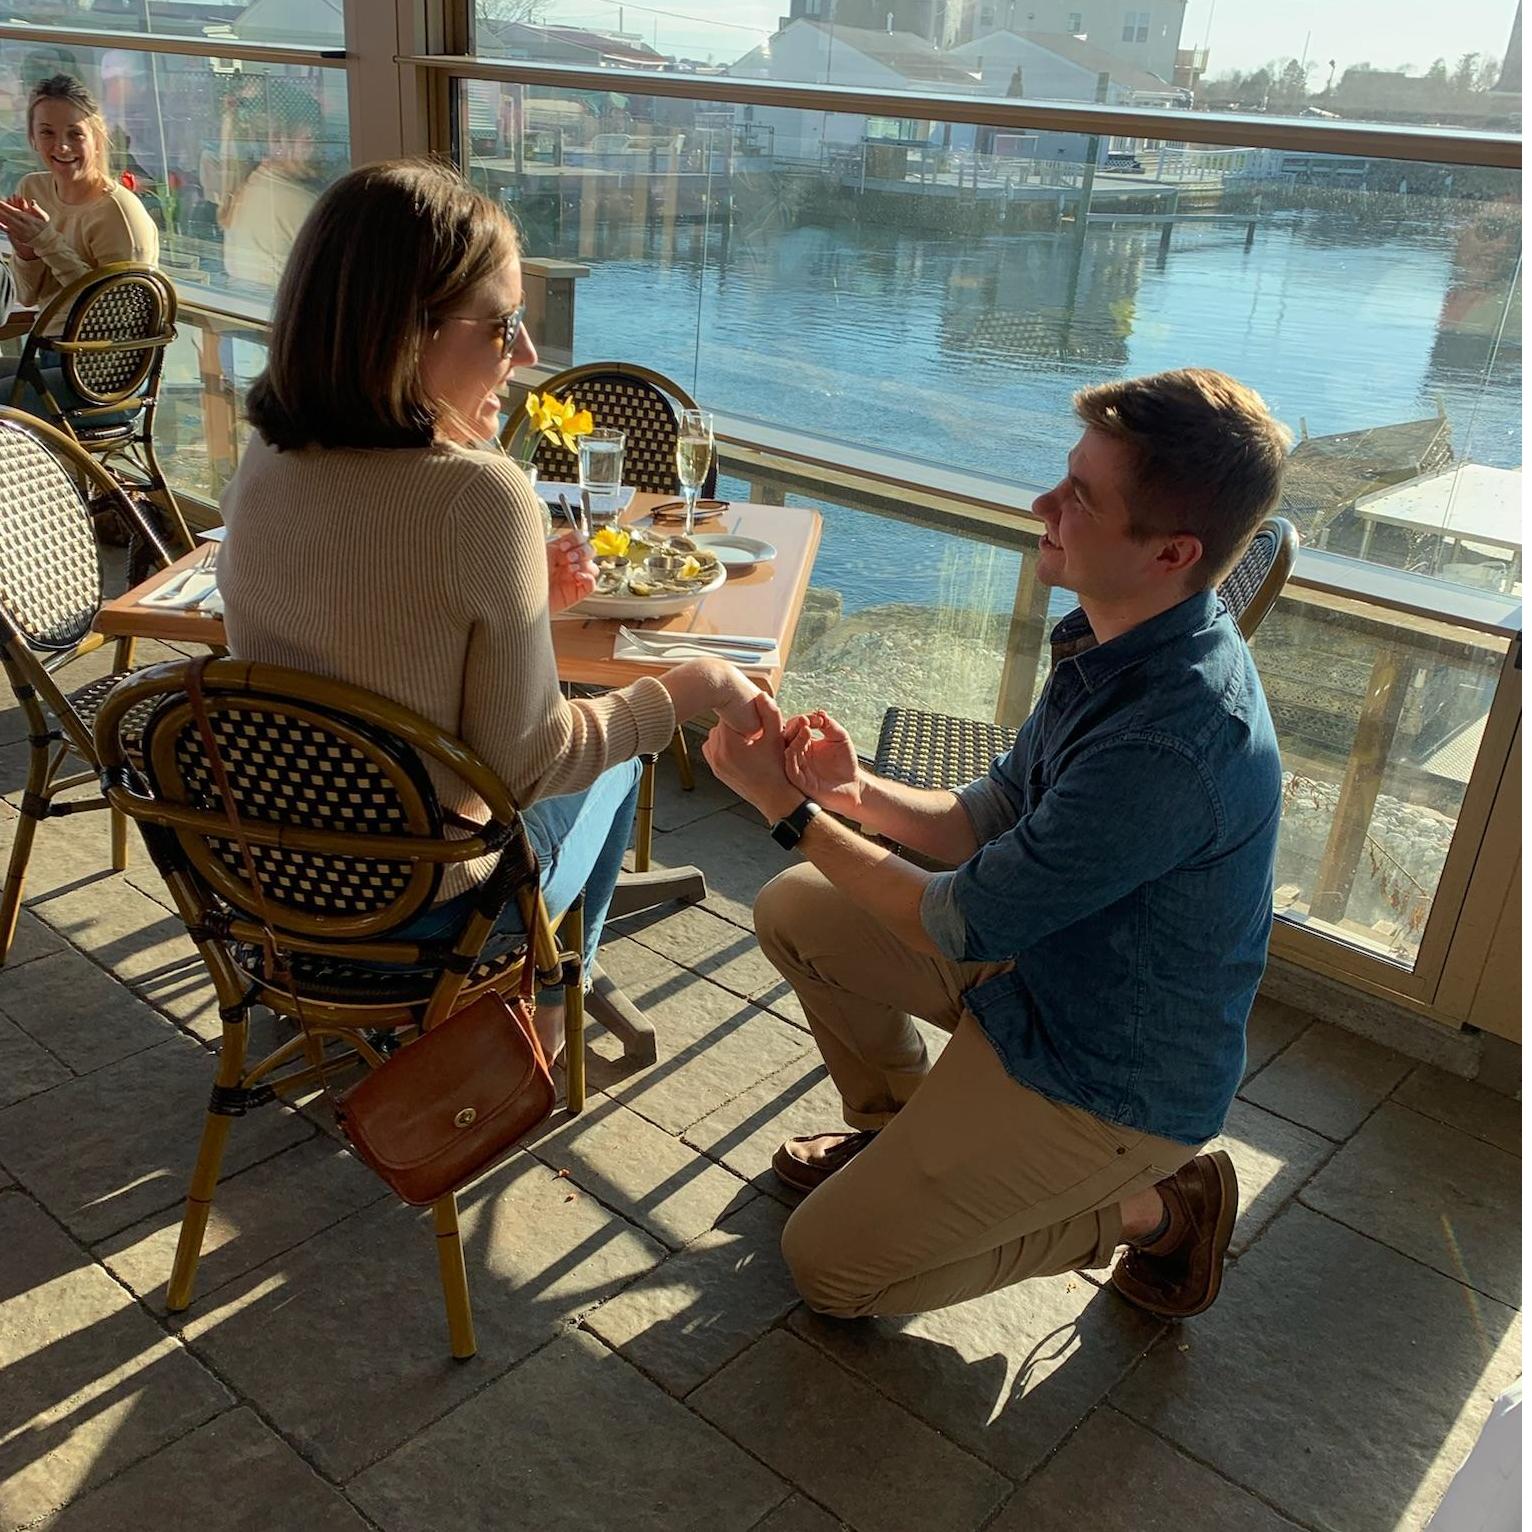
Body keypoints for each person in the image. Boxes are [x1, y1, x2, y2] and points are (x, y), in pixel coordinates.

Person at [704, 368, 1289, 1322]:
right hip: (1043, 971)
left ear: (1172, 551)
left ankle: (1154, 1210)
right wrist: (854, 793)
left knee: (832, 1275)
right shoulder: (1116, 640)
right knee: (795, 910)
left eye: (1081, 499)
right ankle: (894, 1140)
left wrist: (789, 813)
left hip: (1109, 1075)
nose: (1043, 504)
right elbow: (991, 812)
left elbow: (955, 921)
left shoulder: (1170, 741)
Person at [218, 159, 770, 1056]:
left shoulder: (267, 459)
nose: (527, 355)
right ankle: (543, 1009)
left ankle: (536, 1000)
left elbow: (343, 645)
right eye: (504, 323)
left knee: (599, 740)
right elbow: (528, 763)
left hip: (262, 885)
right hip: (417, 920)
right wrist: (692, 684)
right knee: (619, 755)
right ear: (408, 332)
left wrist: (525, 611)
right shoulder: (481, 496)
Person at [0, 74, 159, 418]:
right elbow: (29, 296)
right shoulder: (34, 188)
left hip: (108, 378)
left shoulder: (119, 212)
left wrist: (45, 240)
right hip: (52, 356)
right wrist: (26, 252)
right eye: (47, 133)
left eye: (75, 134)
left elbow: (113, 313)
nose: (62, 147)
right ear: (32, 137)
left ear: (98, 137)